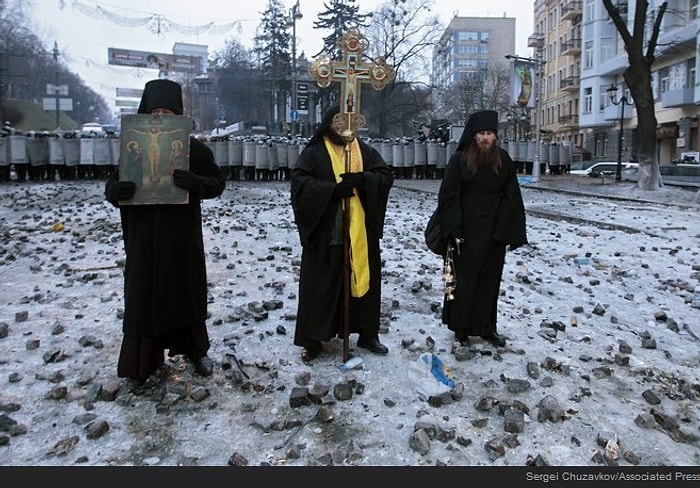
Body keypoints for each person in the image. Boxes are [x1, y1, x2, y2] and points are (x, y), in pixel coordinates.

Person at [104, 79, 226, 381]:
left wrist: (195, 184)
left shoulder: (193, 148)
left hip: (181, 236)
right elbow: (112, 183)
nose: (161, 116)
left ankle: (197, 351)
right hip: (143, 236)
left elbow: (216, 182)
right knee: (143, 293)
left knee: (185, 289)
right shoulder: (134, 143)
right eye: (155, 109)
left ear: (178, 115)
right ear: (146, 111)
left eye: (168, 111)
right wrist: (116, 191)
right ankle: (144, 360)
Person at [290, 105, 394, 362]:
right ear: (328, 123)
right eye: (338, 122)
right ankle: (313, 339)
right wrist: (331, 191)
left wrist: (362, 181)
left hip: (360, 231)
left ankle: (368, 333)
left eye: (347, 122)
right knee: (321, 285)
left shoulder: (364, 150)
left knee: (364, 280)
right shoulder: (314, 152)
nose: (342, 128)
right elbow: (300, 184)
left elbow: (384, 176)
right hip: (328, 231)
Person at [437, 109, 527, 348]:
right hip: (465, 231)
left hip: (494, 231)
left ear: (495, 137)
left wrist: (507, 228)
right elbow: (449, 196)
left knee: (490, 282)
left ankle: (487, 327)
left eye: (490, 134)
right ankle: (461, 329)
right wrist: (453, 228)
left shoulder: (503, 160)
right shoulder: (459, 160)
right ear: (473, 136)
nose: (486, 138)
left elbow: (512, 195)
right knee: (462, 281)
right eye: (482, 134)